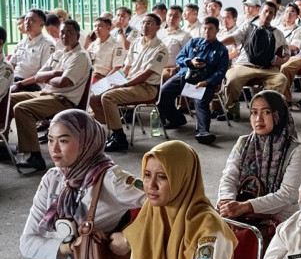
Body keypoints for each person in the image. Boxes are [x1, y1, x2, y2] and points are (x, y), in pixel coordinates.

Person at [11, 109, 144, 259]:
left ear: (86, 142)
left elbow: (165, 203)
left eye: (63, 141)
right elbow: (27, 243)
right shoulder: (53, 179)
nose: (53, 149)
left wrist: (128, 234)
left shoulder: (110, 179)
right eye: (50, 140)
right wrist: (66, 248)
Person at [98, 141, 237, 259]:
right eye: (147, 175)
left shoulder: (210, 230)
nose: (151, 185)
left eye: (162, 177)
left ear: (183, 178)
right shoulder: (150, 214)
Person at [11, 20, 92, 170]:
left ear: (77, 35)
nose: (65, 35)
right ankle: (4, 144)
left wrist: (46, 77)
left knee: (22, 108)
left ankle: (34, 155)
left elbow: (64, 82)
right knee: (9, 99)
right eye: (62, 32)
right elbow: (39, 74)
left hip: (63, 99)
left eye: (69, 32)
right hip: (45, 93)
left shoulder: (80, 56)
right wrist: (54, 73)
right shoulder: (59, 53)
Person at [216, 91, 301, 223]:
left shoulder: (296, 150)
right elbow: (229, 177)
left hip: (278, 218)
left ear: (279, 114)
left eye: (266, 112)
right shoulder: (243, 142)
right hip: (239, 211)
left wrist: (247, 206)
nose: (258, 118)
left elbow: (288, 194)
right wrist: (227, 201)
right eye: (254, 112)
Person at [89, 13, 168, 152]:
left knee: (108, 97)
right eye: (143, 23)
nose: (145, 26)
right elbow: (126, 68)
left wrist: (123, 85)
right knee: (94, 94)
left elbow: (146, 74)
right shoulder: (136, 42)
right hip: (129, 81)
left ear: (158, 27)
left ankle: (119, 138)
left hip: (146, 88)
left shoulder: (160, 49)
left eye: (149, 23)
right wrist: (109, 82)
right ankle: (109, 130)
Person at [157, 16, 230, 144]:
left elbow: (221, 71)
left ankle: (204, 132)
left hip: (205, 81)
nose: (207, 31)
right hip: (185, 76)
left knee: (200, 102)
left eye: (211, 29)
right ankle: (176, 119)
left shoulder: (221, 50)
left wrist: (207, 82)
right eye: (205, 28)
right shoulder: (194, 42)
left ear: (217, 30)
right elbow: (179, 57)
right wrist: (190, 61)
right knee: (163, 93)